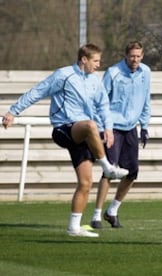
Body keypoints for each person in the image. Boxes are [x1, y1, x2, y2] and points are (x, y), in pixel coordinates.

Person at [2, 43, 129, 238]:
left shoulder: (95, 81)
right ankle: (108, 167)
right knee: (90, 125)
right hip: (63, 129)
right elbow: (38, 91)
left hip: (83, 134)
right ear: (83, 59)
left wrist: (109, 128)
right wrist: (13, 111)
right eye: (95, 61)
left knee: (86, 183)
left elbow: (103, 104)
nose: (98, 65)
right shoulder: (63, 75)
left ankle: (74, 227)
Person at [90, 41, 151, 229]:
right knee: (110, 171)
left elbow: (146, 98)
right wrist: (103, 129)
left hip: (131, 128)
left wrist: (145, 126)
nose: (135, 60)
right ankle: (97, 215)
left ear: (142, 56)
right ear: (126, 55)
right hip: (113, 127)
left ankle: (112, 211)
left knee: (132, 173)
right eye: (132, 56)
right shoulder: (113, 73)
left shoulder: (146, 72)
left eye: (138, 56)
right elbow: (100, 101)